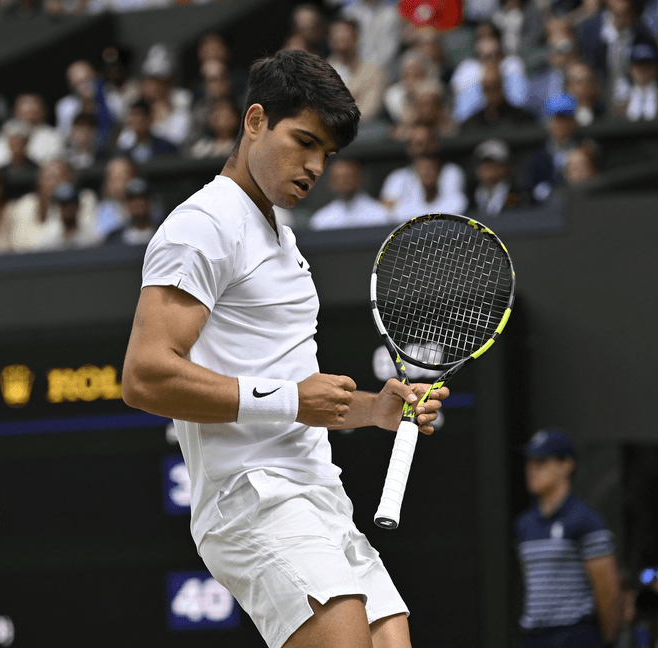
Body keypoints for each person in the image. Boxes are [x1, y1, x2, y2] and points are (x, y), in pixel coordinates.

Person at [121, 49, 448, 648]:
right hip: (250, 496)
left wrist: (374, 410)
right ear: (253, 122)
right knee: (345, 629)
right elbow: (144, 378)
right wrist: (291, 400)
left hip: (316, 491)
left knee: (389, 638)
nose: (316, 165)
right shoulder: (203, 225)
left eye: (327, 153)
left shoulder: (282, 238)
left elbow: (299, 394)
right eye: (304, 141)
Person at [517, 429, 623, 648]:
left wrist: (609, 640)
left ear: (567, 465)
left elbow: (607, 589)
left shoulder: (586, 520)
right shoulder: (524, 524)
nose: (532, 469)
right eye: (530, 462)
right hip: (534, 636)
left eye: (542, 462)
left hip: (574, 635)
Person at [308, 158, 390, 230]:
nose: (342, 182)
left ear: (359, 179)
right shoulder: (320, 220)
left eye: (347, 177)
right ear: (330, 182)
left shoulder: (380, 214)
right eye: (338, 178)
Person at [468, 139, 529, 218]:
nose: (487, 168)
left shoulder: (520, 197)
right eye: (483, 163)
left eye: (492, 163)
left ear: (505, 167)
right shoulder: (469, 197)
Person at [104, 177, 156, 245]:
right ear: (127, 204)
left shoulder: (161, 232)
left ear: (149, 203)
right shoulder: (114, 238)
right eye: (132, 200)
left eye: (141, 199)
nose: (137, 204)